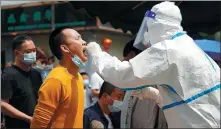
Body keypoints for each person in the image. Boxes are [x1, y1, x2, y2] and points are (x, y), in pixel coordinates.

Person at [85, 1, 220, 128]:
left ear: (157, 25)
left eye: (149, 28)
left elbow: (121, 75)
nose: (147, 34)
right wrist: (155, 95)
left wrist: (97, 55)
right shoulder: (188, 45)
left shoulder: (168, 50)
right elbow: (190, 99)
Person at [31, 26, 87, 128]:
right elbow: (38, 124)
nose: (84, 42)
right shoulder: (55, 80)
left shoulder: (78, 77)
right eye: (77, 38)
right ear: (65, 48)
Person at [121, 39, 167, 128]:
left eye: (126, 59)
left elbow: (150, 119)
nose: (124, 62)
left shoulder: (150, 79)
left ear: (132, 55)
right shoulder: (136, 77)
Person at [1, 35, 42, 128]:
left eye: (34, 50)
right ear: (16, 53)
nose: (32, 54)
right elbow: (3, 104)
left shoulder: (35, 74)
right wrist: (28, 119)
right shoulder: (9, 75)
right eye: (28, 51)